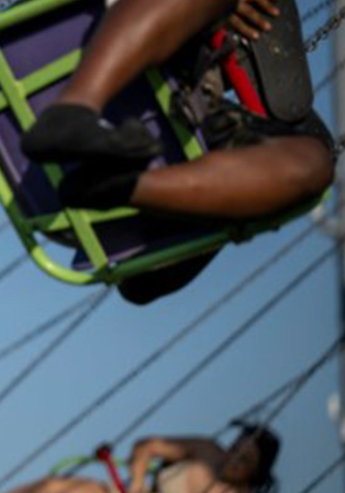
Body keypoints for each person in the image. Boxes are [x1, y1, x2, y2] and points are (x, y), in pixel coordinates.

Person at [20, 0, 334, 304]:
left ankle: (124, 188)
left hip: (169, 107)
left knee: (314, 162)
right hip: (70, 44)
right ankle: (74, 109)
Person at [0, 424, 281, 493]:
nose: (233, 459)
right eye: (235, 449)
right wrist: (139, 485)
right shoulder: (206, 450)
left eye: (244, 460)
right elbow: (148, 446)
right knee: (58, 489)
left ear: (256, 472)